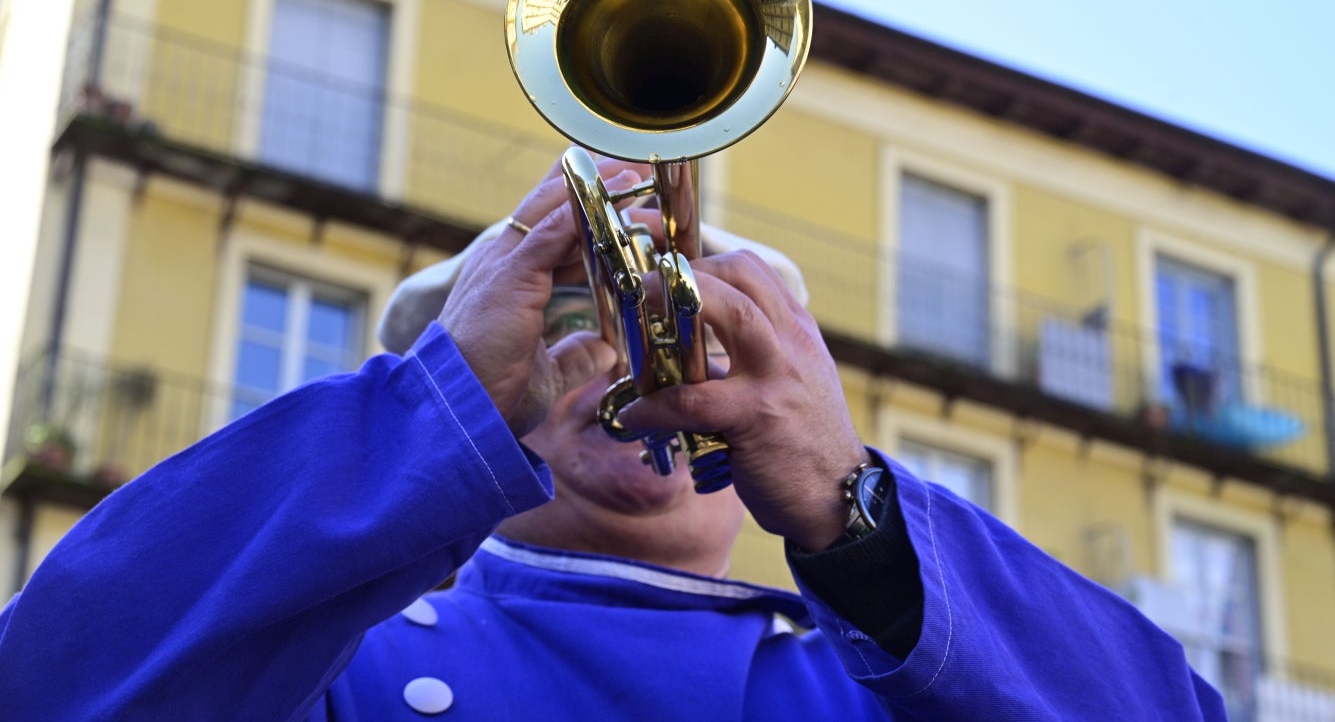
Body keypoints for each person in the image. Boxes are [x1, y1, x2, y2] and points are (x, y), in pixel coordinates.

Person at [0, 157, 1224, 719]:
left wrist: (860, 518)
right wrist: (431, 417)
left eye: (697, 329)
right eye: (566, 318)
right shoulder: (334, 669)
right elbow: (52, 690)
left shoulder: (868, 690)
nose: (636, 359)